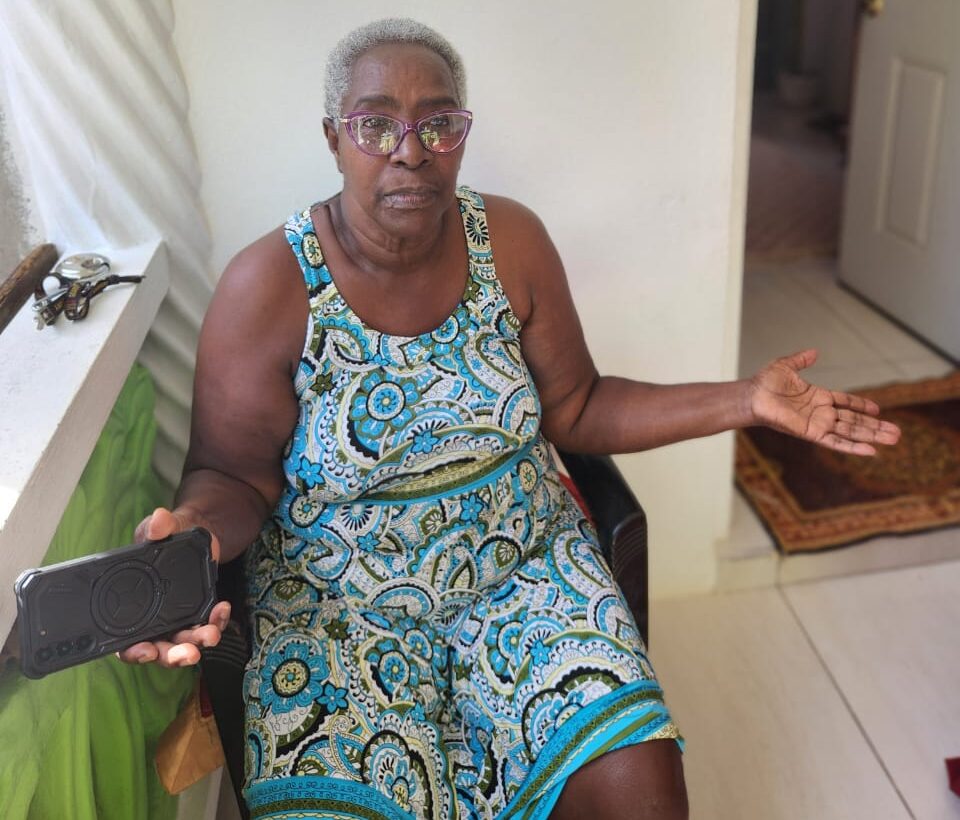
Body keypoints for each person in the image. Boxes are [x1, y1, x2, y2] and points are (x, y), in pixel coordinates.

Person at [120, 17, 900, 820]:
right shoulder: (268, 286)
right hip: (339, 608)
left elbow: (580, 406)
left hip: (524, 571)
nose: (411, 151)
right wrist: (191, 540)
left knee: (639, 783)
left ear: (462, 134)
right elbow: (231, 475)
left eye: (439, 124)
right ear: (333, 138)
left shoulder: (511, 242)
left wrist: (748, 400)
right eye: (376, 124)